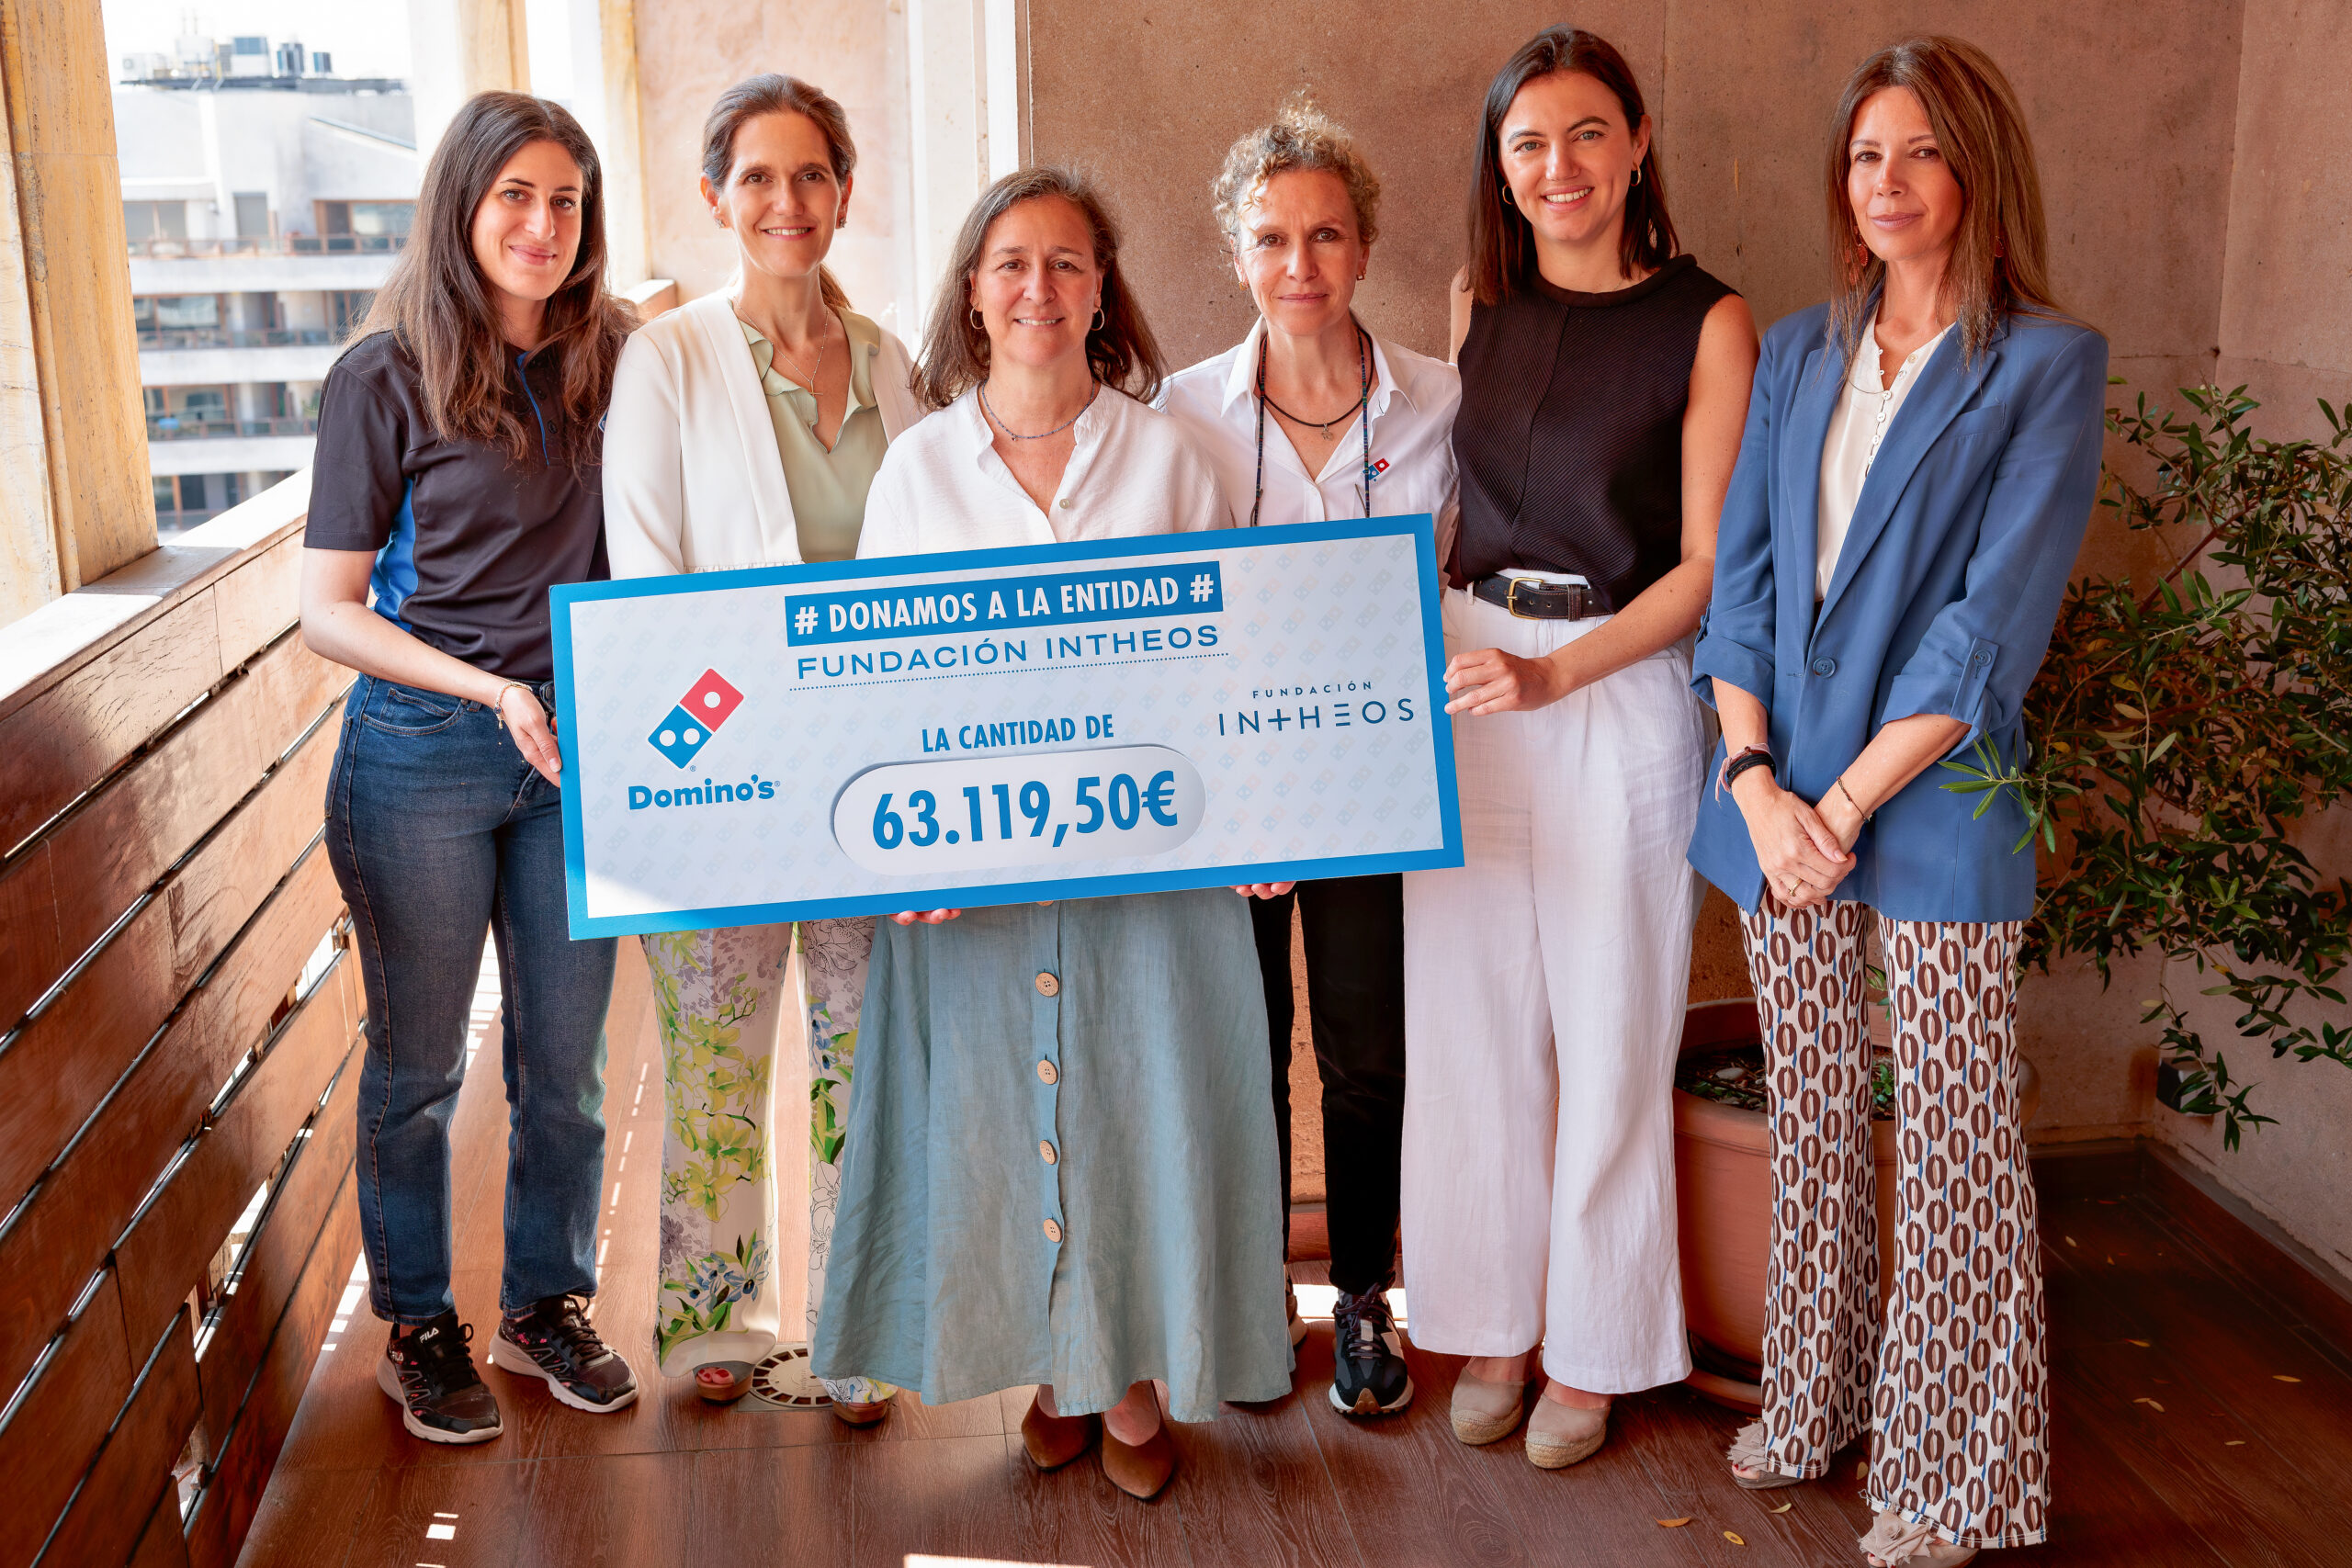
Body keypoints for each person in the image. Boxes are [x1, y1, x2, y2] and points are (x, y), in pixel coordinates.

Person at [811, 165, 1287, 1501]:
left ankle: (1123, 1379)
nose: (1039, 287)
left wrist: (1259, 823)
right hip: (974, 876)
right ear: (973, 291)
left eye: (1067, 262)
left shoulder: (1171, 456)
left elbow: (1231, 659)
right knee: (994, 1119)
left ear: (1101, 289)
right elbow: (881, 690)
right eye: (1011, 263)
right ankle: (1051, 1371)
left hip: (1149, 865)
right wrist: (901, 856)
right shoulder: (918, 470)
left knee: (1132, 1109)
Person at [1691, 37, 2104, 1568]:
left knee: (1952, 1141)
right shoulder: (1802, 349)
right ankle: (1814, 1404)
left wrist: (1846, 805)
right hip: (1774, 795)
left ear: (1977, 169)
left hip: (1930, 798)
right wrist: (1755, 781)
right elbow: (1742, 580)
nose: (1890, 180)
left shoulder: (2045, 364)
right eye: (1868, 154)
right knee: (1811, 1114)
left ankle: (1954, 1479)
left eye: (1922, 151)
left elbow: (1991, 625)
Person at [1398, 26, 1758, 1470]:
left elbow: (1705, 568)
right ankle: (1494, 1327)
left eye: (1589, 132)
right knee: (1471, 1026)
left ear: (1639, 140)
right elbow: (1441, 510)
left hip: (1613, 682)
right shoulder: (1476, 303)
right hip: (1465, 677)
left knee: (1613, 1023)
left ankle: (1598, 1352)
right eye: (1530, 143)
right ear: (1502, 166)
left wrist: (1555, 675)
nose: (1562, 166)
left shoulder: (1708, 321)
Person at [299, 92, 640, 1445]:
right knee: (422, 1065)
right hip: (422, 756)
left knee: (565, 1066)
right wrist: (490, 688)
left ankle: (543, 1303)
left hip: (577, 756)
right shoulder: (383, 377)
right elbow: (328, 612)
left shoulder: (622, 358)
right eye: (516, 196)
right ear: (461, 204)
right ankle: (418, 1324)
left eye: (567, 201)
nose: (543, 225)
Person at [603, 73, 922, 1420]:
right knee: (718, 1057)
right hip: (721, 774)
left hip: (871, 784)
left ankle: (856, 1329)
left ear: (845, 192)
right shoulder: (668, 360)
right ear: (715, 197)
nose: (786, 201)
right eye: (757, 177)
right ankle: (711, 1320)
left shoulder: (896, 363)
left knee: (864, 1056)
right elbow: (648, 579)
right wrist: (741, 739)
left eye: (811, 175)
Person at [1160, 96, 1457, 1420]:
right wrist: (1226, 807)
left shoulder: (1441, 403)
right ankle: (1250, 1295)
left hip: (1375, 785)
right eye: (1272, 238)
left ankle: (1363, 1299)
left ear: (1365, 247)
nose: (1300, 264)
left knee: (1364, 1050)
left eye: (1326, 235)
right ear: (1237, 255)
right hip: (1228, 796)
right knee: (1246, 1042)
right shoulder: (1180, 414)